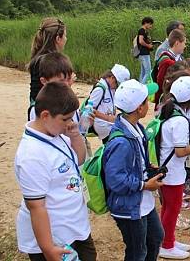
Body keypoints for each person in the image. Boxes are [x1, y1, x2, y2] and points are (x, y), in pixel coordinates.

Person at [14, 81, 96, 261]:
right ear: (45, 115)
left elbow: (79, 159)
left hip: (75, 226)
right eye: (66, 118)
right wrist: (49, 249)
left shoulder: (56, 134)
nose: (70, 123)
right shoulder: (32, 155)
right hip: (55, 237)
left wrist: (75, 135)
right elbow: (36, 207)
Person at [102, 79, 165, 261]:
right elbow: (115, 179)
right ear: (139, 108)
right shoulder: (121, 142)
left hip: (141, 202)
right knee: (137, 252)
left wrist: (147, 167)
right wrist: (144, 185)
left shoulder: (137, 128)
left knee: (155, 238)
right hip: (128, 206)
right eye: (147, 100)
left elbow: (135, 161)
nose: (150, 103)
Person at [157, 76, 190, 259]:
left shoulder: (169, 109)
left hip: (166, 169)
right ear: (189, 99)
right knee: (173, 208)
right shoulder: (180, 120)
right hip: (173, 172)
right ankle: (166, 246)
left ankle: (168, 240)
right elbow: (180, 151)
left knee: (167, 207)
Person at [27, 52, 94, 156]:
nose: (67, 85)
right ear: (44, 81)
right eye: (61, 81)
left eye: (68, 80)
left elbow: (75, 128)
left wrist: (84, 123)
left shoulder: (69, 102)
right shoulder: (38, 109)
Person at [28, 17, 67, 117]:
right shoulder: (51, 61)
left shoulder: (37, 58)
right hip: (47, 112)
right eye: (65, 36)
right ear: (58, 38)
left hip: (35, 108)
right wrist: (68, 84)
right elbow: (55, 90)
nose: (66, 39)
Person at [88, 64, 130, 144]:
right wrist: (108, 118)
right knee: (118, 137)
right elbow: (89, 109)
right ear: (112, 78)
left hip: (109, 121)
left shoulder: (111, 88)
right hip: (101, 122)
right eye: (117, 84)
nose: (117, 86)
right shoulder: (100, 89)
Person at [153, 29, 187, 103]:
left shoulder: (179, 58)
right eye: (184, 43)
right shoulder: (166, 61)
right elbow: (161, 83)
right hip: (166, 101)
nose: (185, 46)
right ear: (177, 43)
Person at [137, 16, 156, 83]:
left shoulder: (144, 31)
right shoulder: (142, 30)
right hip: (144, 53)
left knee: (143, 72)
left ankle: (139, 85)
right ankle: (142, 87)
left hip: (143, 53)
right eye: (150, 24)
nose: (151, 26)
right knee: (148, 72)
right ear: (145, 23)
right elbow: (141, 41)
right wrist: (148, 46)